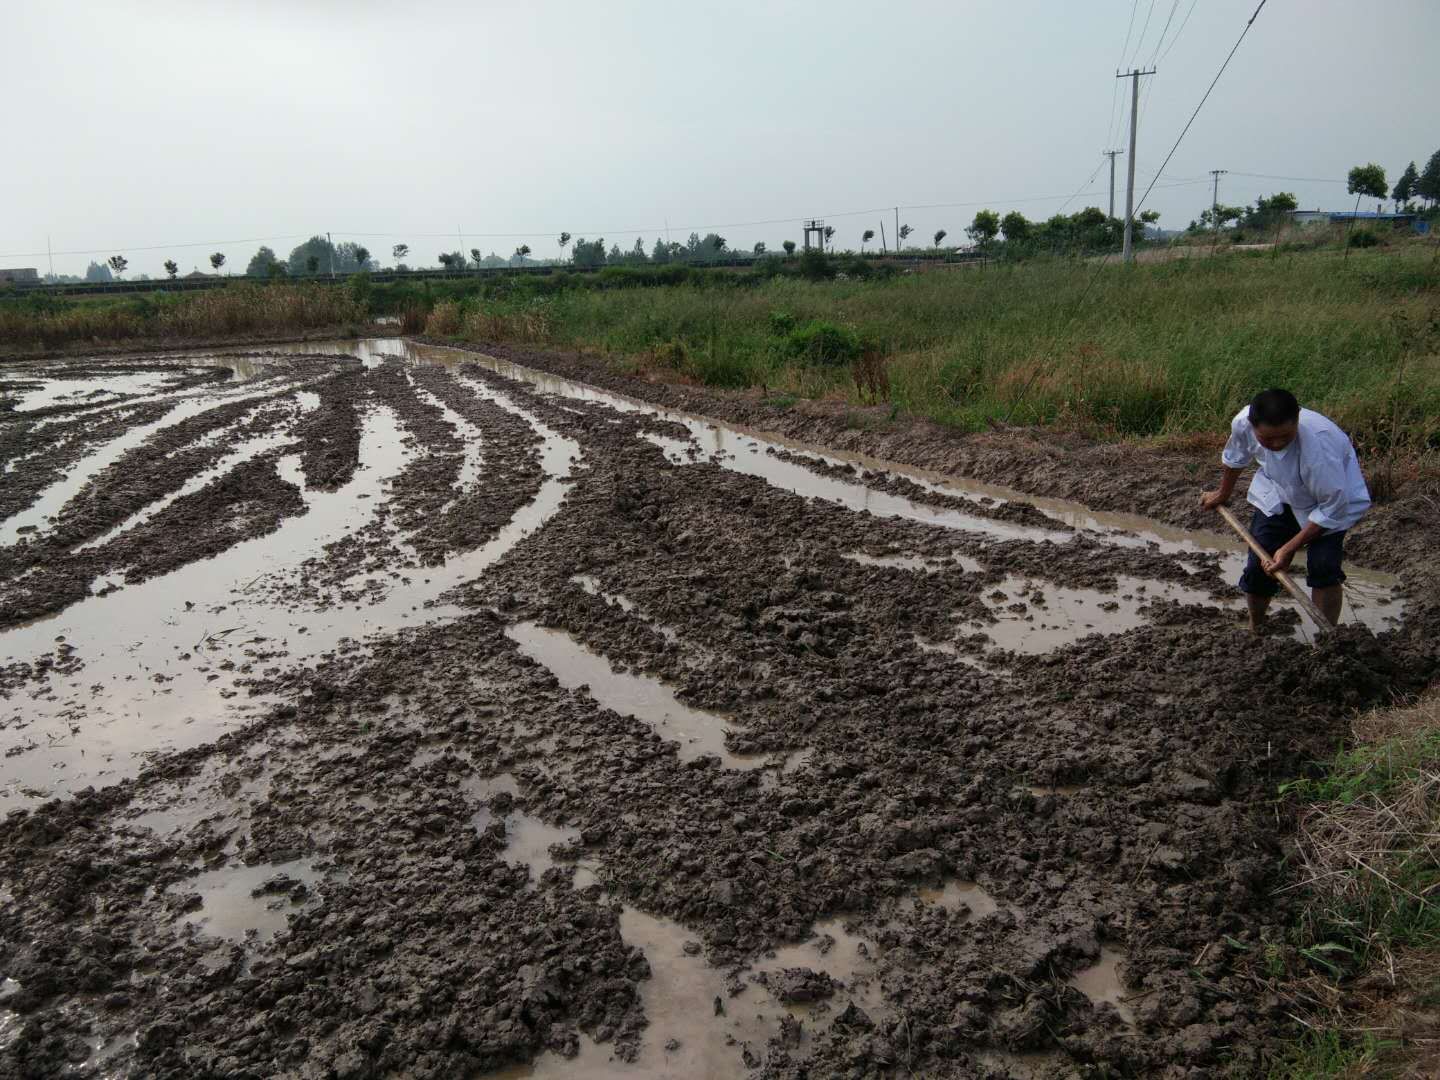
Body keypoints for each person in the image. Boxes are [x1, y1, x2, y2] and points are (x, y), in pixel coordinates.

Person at [1200, 388, 1370, 633]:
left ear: (1298, 420)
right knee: (1260, 565)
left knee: (1324, 567)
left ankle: (1327, 638)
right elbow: (1236, 456)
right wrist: (1222, 494)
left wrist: (1290, 548)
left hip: (1328, 504)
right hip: (1278, 492)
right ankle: (1256, 627)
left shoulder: (1319, 448)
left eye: (1285, 436)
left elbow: (1331, 508)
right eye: (1267, 439)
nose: (1277, 444)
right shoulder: (1242, 422)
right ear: (1252, 425)